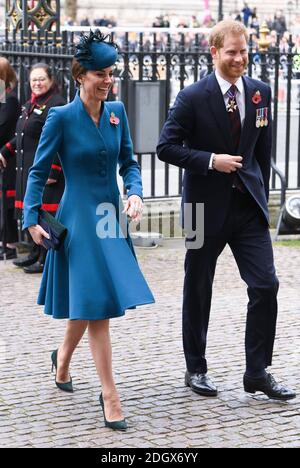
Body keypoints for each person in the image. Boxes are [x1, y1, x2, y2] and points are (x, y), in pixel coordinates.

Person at [22, 30, 155, 430]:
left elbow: (129, 164)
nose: (108, 80)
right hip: (78, 220)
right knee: (97, 305)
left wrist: (134, 193)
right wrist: (30, 219)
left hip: (110, 219)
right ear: (81, 76)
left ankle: (61, 361)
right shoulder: (61, 117)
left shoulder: (117, 112)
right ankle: (110, 395)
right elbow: (38, 170)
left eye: (111, 73)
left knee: (90, 297)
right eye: (100, 73)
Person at [157, 20, 296, 401]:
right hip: (203, 208)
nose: (239, 58)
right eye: (231, 51)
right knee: (198, 287)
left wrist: (260, 192)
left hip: (247, 209)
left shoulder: (260, 93)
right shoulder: (191, 97)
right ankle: (196, 368)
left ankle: (257, 372)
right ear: (214, 52)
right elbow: (165, 147)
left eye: (243, 50)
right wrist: (209, 160)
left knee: (266, 285)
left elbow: (262, 152)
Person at [0, 63, 65, 273]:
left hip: (45, 171)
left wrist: (53, 169)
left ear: (51, 80)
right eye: (33, 79)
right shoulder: (32, 103)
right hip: (27, 167)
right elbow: (21, 135)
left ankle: (47, 259)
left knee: (44, 215)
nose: (37, 83)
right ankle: (35, 253)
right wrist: (5, 151)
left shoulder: (56, 104)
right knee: (32, 212)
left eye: (41, 79)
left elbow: (59, 140)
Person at [0, 58, 21, 260]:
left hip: (8, 157)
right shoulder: (3, 95)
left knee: (7, 202)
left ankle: (9, 245)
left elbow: (3, 127)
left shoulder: (11, 98)